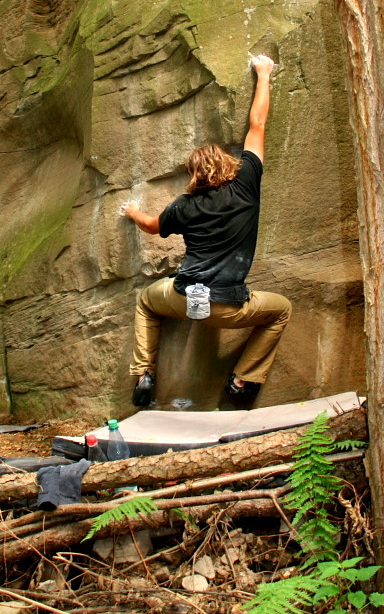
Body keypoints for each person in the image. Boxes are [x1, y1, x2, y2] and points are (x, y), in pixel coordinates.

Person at [120, 53, 291, 408]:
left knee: (146, 301)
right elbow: (258, 124)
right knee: (282, 310)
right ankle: (243, 380)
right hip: (226, 306)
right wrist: (263, 73)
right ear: (228, 163)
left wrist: (133, 212)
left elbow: (151, 226)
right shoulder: (245, 183)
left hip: (185, 297)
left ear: (193, 174)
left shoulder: (185, 205)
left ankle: (144, 374)